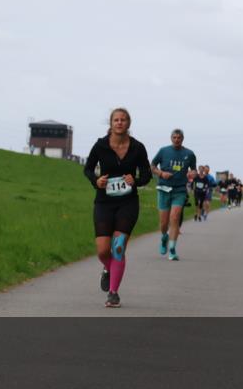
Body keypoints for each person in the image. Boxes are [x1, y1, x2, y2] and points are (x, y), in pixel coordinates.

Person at [83, 108, 152, 308]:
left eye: (123, 120)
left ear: (128, 123)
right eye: (116, 120)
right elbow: (87, 168)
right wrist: (97, 181)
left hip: (128, 202)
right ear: (111, 123)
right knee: (104, 251)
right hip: (104, 202)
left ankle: (113, 293)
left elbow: (147, 174)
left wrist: (136, 180)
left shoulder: (138, 147)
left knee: (118, 247)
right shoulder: (100, 145)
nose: (119, 123)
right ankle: (108, 268)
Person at [150, 129, 197, 261]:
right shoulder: (164, 151)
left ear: (183, 139)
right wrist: (161, 174)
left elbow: (194, 169)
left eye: (179, 137)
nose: (177, 140)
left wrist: (192, 173)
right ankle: (164, 236)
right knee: (164, 223)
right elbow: (152, 165)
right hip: (164, 188)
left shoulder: (189, 154)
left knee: (175, 217)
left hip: (180, 190)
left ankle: (172, 249)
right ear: (171, 138)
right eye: (174, 137)